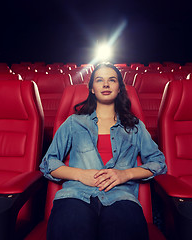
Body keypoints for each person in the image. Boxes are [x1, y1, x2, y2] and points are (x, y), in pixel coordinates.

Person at [40, 62, 167, 240]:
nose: (106, 84)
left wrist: (126, 174)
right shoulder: (73, 123)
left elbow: (158, 162)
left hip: (121, 196)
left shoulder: (135, 126)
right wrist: (80, 174)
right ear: (92, 88)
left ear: (119, 88)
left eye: (112, 80)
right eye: (99, 80)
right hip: (76, 195)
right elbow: (49, 163)